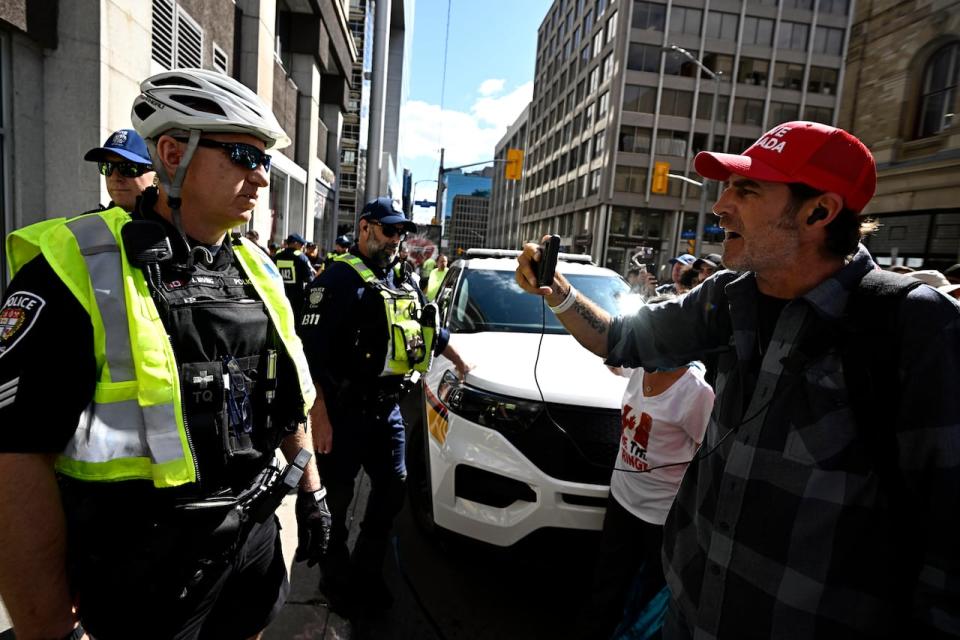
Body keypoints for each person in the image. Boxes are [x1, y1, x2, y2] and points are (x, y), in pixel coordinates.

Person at [516, 121, 960, 637]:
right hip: (689, 615)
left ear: (819, 211)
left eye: (746, 191)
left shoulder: (916, 328)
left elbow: (950, 546)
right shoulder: (727, 297)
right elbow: (622, 340)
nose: (720, 206)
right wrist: (558, 291)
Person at [0, 68, 333, 640]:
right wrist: (47, 627)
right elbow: (14, 456)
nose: (260, 178)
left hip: (249, 542)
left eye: (266, 163)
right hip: (142, 569)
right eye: (241, 155)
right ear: (174, 154)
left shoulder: (257, 267)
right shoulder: (75, 265)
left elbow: (287, 398)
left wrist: (313, 491)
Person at [301, 196, 469, 615]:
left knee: (393, 490)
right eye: (390, 230)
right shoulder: (336, 280)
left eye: (401, 232)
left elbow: (428, 326)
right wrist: (318, 415)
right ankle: (336, 580)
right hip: (342, 413)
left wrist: (463, 362)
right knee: (336, 503)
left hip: (387, 411)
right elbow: (307, 354)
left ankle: (367, 571)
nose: (397, 239)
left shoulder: (403, 277)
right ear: (365, 228)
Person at [580, 294, 715, 640]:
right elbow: (611, 356)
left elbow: (709, 453)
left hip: (661, 517)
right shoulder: (642, 364)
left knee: (647, 596)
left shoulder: (696, 392)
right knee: (607, 583)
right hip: (622, 498)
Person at [83, 128, 156, 213]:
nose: (114, 177)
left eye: (128, 167)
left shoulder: (173, 223)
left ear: (157, 174)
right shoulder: (89, 224)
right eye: (107, 166)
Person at [273, 233, 315, 324]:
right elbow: (310, 279)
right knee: (295, 322)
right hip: (297, 298)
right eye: (301, 244)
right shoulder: (301, 257)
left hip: (280, 295)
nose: (303, 246)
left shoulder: (278, 255)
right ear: (295, 243)